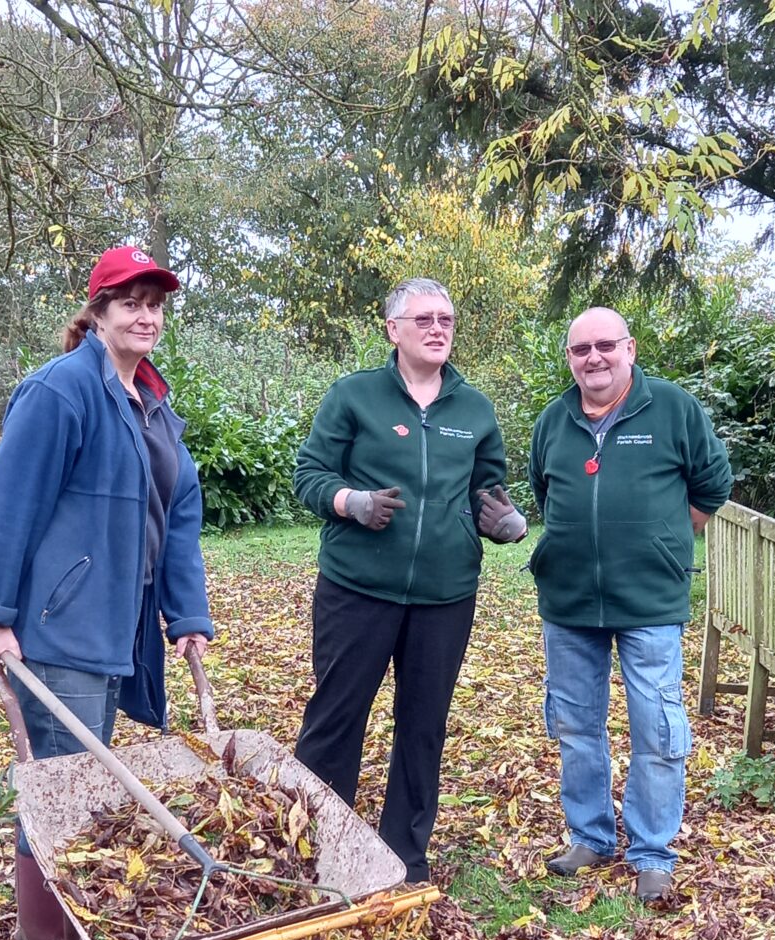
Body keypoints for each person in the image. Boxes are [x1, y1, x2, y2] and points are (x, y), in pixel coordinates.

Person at [0, 244, 214, 940]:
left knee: (87, 781)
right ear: (98, 311)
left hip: (120, 626)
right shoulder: (60, 391)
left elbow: (180, 517)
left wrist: (187, 613)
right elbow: (7, 506)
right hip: (61, 626)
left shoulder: (155, 408)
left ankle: (68, 931)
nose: (146, 315)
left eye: (156, 303)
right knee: (64, 785)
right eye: (130, 301)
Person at [293, 278, 527, 883]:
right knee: (336, 719)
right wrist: (350, 501)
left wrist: (504, 521)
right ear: (393, 329)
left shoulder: (473, 409)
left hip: (445, 595)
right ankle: (317, 846)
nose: (437, 328)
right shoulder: (354, 396)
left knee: (424, 726)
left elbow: (488, 486)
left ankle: (404, 856)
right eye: (422, 318)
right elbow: (309, 476)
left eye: (445, 318)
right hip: (357, 589)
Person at [528, 306, 732, 902]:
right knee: (575, 726)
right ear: (570, 358)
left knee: (657, 727)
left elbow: (712, 486)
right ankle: (590, 836)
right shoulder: (554, 419)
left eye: (605, 346)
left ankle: (651, 853)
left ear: (630, 349)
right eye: (580, 349)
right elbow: (545, 491)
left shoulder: (671, 408)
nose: (593, 358)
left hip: (649, 601)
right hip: (568, 602)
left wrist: (665, 540)